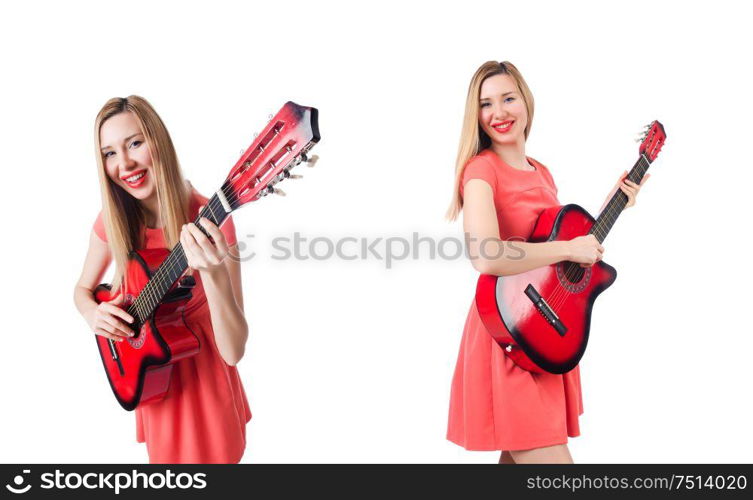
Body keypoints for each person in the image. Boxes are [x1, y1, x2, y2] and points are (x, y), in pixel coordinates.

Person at [445, 61, 648, 464]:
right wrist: (570, 249)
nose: (498, 113)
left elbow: (552, 248)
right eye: (486, 104)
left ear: (526, 101)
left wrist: (614, 204)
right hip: (510, 333)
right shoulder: (480, 171)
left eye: (508, 98)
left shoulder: (542, 171)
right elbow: (486, 255)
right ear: (476, 116)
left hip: (546, 333)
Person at [73, 96, 252, 463]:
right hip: (154, 382)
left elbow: (234, 351)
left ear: (160, 142)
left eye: (135, 143)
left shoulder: (210, 219)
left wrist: (214, 272)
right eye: (109, 153)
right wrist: (93, 314)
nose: (124, 164)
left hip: (205, 388)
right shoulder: (114, 220)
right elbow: (82, 291)